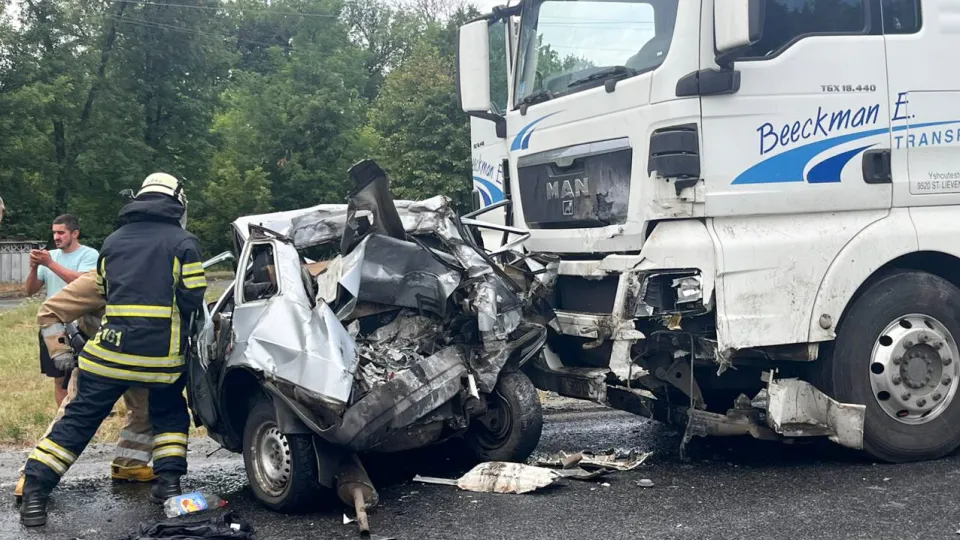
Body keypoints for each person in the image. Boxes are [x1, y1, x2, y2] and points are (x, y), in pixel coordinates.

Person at [19, 172, 207, 527]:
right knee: (169, 415)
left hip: (108, 356)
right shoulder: (184, 242)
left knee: (78, 421)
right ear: (177, 203)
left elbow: (103, 288)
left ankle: (35, 493)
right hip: (161, 361)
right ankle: (168, 485)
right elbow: (193, 296)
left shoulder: (114, 240)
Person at [13, 270, 157, 502]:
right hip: (99, 364)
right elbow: (50, 311)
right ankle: (33, 476)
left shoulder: (157, 276)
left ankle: (130, 464)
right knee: (73, 417)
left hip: (141, 360)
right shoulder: (99, 279)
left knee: (146, 411)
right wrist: (60, 350)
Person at [24, 214, 99, 406]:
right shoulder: (50, 256)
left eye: (61, 232)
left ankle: (88, 420)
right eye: (54, 233)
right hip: (53, 328)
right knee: (60, 380)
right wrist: (34, 268)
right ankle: (64, 420)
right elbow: (29, 291)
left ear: (75, 233)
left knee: (87, 380)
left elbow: (83, 284)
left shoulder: (89, 255)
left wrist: (50, 264)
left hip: (82, 327)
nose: (56, 237)